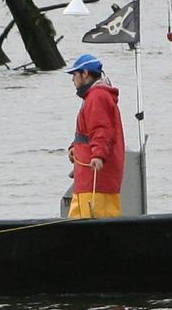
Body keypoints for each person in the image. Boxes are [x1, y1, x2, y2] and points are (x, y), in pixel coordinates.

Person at [65, 53, 125, 219]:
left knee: (97, 222)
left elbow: (101, 129)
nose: (72, 80)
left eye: (74, 75)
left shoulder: (97, 97)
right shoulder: (94, 96)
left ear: (85, 74)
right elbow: (87, 132)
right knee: (80, 222)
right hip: (86, 178)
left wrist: (98, 155)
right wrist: (73, 147)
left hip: (96, 179)